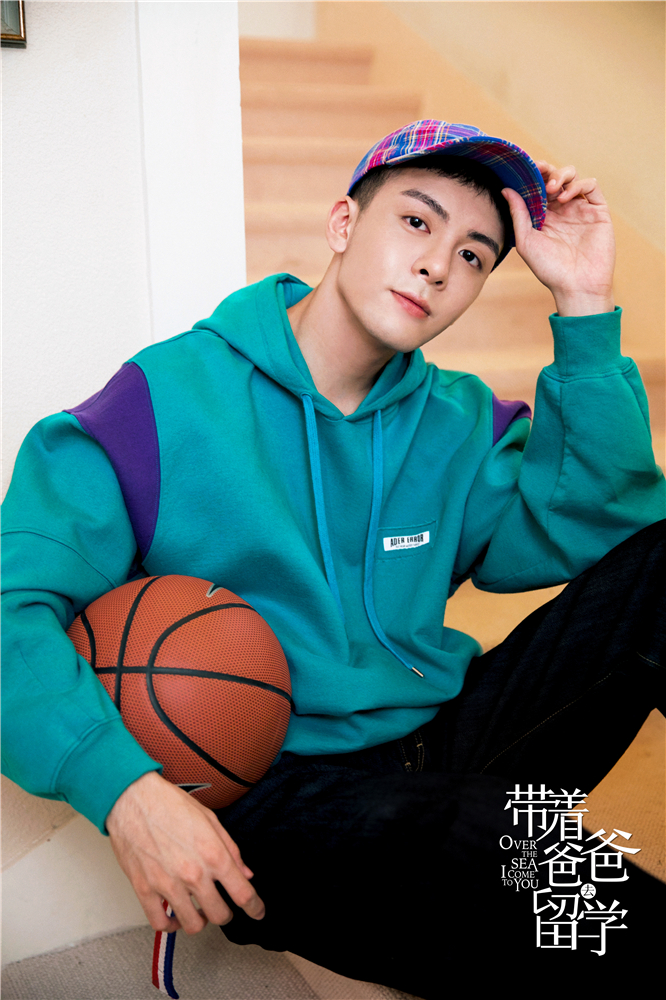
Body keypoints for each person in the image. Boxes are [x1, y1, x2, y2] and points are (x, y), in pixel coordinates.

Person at [2, 120, 664, 993]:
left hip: (439, 742)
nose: (437, 266)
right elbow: (11, 612)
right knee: (504, 836)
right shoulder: (163, 401)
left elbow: (606, 529)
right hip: (271, 798)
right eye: (417, 222)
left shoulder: (460, 420)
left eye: (473, 255)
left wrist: (583, 302)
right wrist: (127, 794)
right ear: (344, 223)